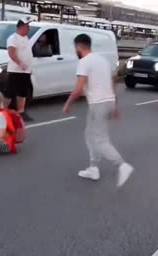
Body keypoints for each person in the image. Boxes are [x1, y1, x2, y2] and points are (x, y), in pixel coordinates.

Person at [62, 34, 134, 188]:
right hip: (106, 102)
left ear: (78, 47)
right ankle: (93, 168)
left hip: (98, 105)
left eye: (75, 48)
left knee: (100, 139)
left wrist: (68, 104)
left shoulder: (84, 62)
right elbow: (112, 82)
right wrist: (114, 105)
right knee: (89, 134)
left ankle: (122, 165)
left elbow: (78, 88)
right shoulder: (102, 60)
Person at [5, 18, 34, 122]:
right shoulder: (13, 38)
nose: (28, 29)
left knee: (23, 92)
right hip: (15, 70)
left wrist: (29, 68)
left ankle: (21, 111)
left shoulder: (26, 38)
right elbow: (11, 52)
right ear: (21, 27)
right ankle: (3, 111)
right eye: (27, 26)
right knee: (9, 92)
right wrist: (19, 62)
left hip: (25, 71)